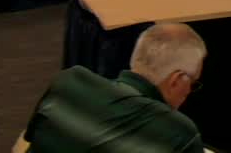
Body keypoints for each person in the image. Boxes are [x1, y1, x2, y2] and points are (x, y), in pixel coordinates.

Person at [23, 22, 207, 153]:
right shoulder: (178, 133)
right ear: (176, 79)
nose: (189, 92)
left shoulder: (68, 82)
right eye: (193, 83)